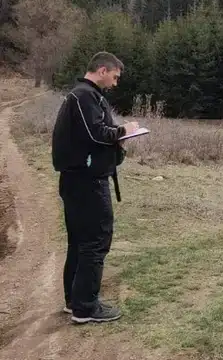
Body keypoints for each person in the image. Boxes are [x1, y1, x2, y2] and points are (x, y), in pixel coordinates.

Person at [50, 51, 139, 324]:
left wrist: (118, 143)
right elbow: (96, 133)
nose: (115, 83)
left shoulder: (85, 96)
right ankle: (86, 308)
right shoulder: (83, 96)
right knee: (95, 241)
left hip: (80, 181)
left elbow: (95, 138)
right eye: (114, 76)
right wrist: (124, 130)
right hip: (86, 183)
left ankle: (74, 300)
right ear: (102, 70)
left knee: (79, 242)